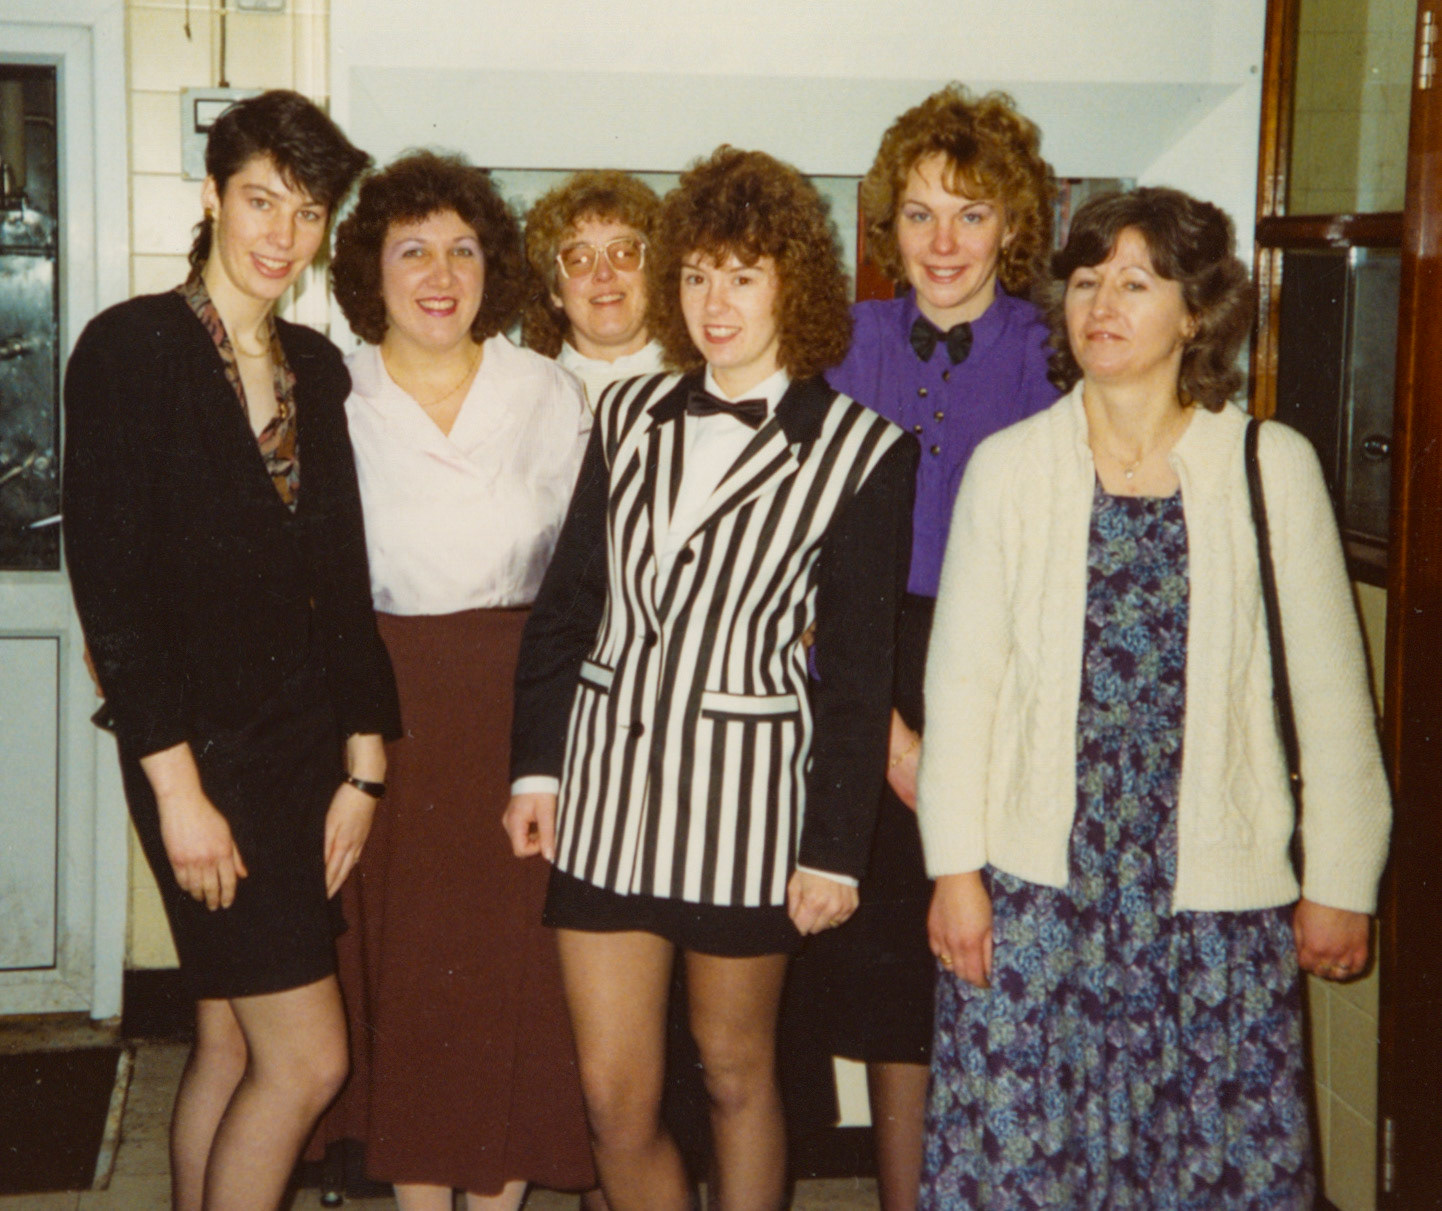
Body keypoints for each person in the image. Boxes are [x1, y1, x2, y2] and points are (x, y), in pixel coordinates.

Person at [917, 186, 1392, 1207]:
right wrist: (954, 873)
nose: (1102, 304)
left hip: (1209, 900)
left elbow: (1332, 701)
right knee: (1031, 1166)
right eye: (1086, 281)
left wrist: (1341, 876)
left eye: (1136, 283)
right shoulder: (1008, 469)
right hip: (1039, 888)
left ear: (1197, 312)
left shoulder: (1271, 467)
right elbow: (960, 694)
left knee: (1206, 1165)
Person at [504, 145, 918, 1211]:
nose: (713, 301)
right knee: (612, 1098)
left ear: (793, 284)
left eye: (742, 274)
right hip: (604, 796)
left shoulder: (862, 450)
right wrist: (537, 769)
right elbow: (567, 608)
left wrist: (835, 848)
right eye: (694, 274)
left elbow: (857, 674)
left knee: (736, 1074)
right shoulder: (627, 415)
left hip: (746, 809)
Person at [62, 91, 396, 1211]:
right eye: (261, 200)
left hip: (303, 750)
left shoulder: (317, 364)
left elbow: (341, 573)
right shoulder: (131, 349)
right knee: (308, 1061)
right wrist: (179, 795)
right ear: (211, 196)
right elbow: (113, 597)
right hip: (202, 760)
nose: (281, 235)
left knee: (231, 1041)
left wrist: (364, 758)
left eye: (307, 212)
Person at [324, 150, 599, 1211]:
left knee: (513, 986)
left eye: (463, 250)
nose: (440, 274)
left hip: (517, 715)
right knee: (409, 986)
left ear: (493, 268)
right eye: (412, 250)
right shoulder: (331, 391)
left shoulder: (548, 392)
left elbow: (589, 580)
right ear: (372, 268)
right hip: (381, 718)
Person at [806, 84, 1060, 1211]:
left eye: (971, 213)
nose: (944, 243)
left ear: (1011, 225)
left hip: (1011, 675)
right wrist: (885, 733)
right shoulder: (840, 344)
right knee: (893, 993)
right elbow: (796, 565)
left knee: (1000, 964)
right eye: (919, 214)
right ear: (888, 227)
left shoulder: (1055, 349)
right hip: (863, 672)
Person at [522, 169, 666, 407]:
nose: (604, 274)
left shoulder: (705, 384)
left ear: (654, 272)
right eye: (580, 260)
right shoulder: (529, 398)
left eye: (623, 253)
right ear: (555, 290)